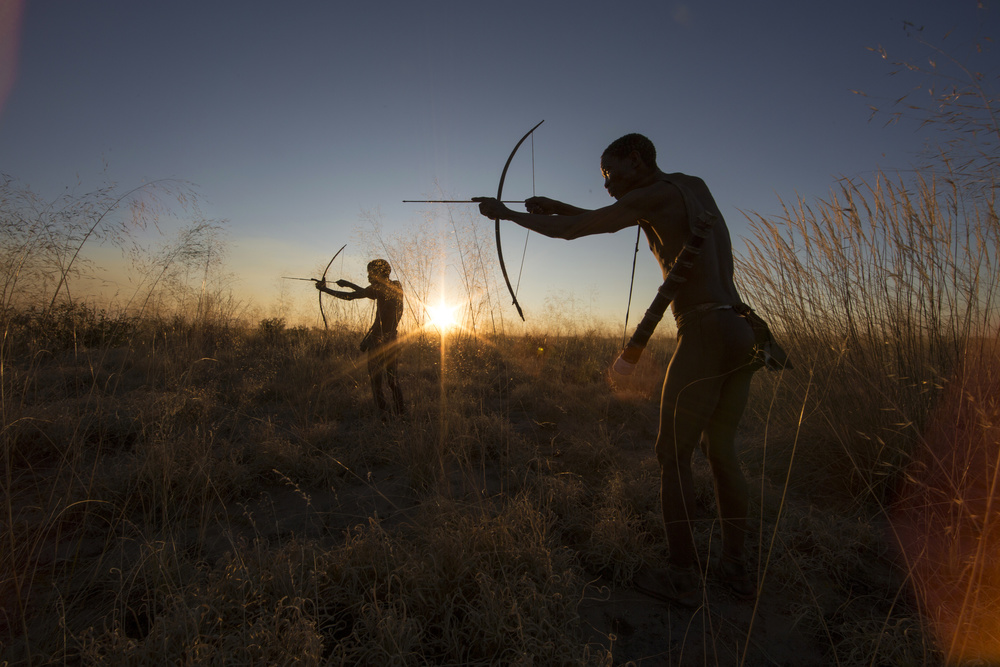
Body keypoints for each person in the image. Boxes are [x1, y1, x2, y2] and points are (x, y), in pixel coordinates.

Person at [474, 133, 758, 605]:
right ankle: (737, 570)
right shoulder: (691, 186)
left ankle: (683, 578)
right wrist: (555, 205)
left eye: (609, 174)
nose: (606, 186)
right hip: (741, 328)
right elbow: (601, 217)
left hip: (704, 330)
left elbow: (577, 231)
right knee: (722, 451)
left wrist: (506, 214)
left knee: (673, 456)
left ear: (635, 159)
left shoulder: (649, 195)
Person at [317, 258, 406, 417]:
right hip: (392, 339)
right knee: (392, 380)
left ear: (378, 273)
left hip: (379, 340)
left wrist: (325, 290)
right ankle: (400, 413)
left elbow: (352, 296)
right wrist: (349, 284)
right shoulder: (395, 286)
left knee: (376, 380)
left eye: (370, 273)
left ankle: (384, 413)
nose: (368, 277)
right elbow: (370, 293)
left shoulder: (381, 288)